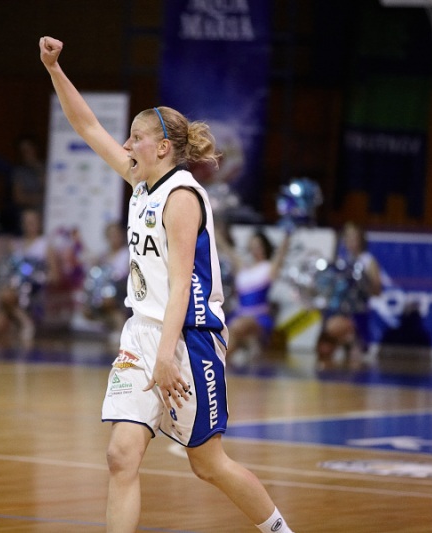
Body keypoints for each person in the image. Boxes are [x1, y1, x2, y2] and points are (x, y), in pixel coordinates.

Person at [39, 36, 294, 533]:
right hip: (142, 332)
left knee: (208, 464)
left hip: (188, 339)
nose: (126, 145)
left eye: (135, 137)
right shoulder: (141, 181)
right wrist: (54, 69)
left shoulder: (181, 196)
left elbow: (180, 287)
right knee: (120, 455)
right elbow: (86, 126)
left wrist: (165, 355)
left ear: (162, 148)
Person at [315, 221, 382, 371]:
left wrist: (362, 283)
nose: (350, 241)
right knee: (324, 346)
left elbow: (377, 291)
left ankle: (353, 341)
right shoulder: (341, 260)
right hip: (337, 311)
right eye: (347, 237)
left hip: (356, 313)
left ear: (361, 239)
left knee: (336, 333)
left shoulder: (367, 261)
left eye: (354, 237)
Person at [0, 208, 57, 349]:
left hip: (33, 291)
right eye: (26, 222)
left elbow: (55, 275)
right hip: (14, 289)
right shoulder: (15, 245)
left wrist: (37, 279)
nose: (28, 225)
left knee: (6, 296)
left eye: (32, 222)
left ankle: (25, 323)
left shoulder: (44, 245)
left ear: (39, 224)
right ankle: (22, 320)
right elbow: (8, 270)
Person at [220, 228, 290, 367]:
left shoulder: (268, 268)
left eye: (258, 246)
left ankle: (219, 365)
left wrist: (288, 235)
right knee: (224, 332)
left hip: (258, 317)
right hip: (239, 314)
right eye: (252, 246)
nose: (255, 250)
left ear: (265, 248)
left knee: (235, 328)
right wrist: (216, 233)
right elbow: (228, 251)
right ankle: (225, 364)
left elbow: (281, 254)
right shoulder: (243, 268)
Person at [3, 135, 46, 233]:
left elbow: (51, 189)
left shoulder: (46, 167)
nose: (26, 153)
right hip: (28, 213)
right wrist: (40, 198)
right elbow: (19, 197)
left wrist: (37, 169)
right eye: (23, 150)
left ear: (35, 149)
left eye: (29, 149)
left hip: (48, 213)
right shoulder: (19, 171)